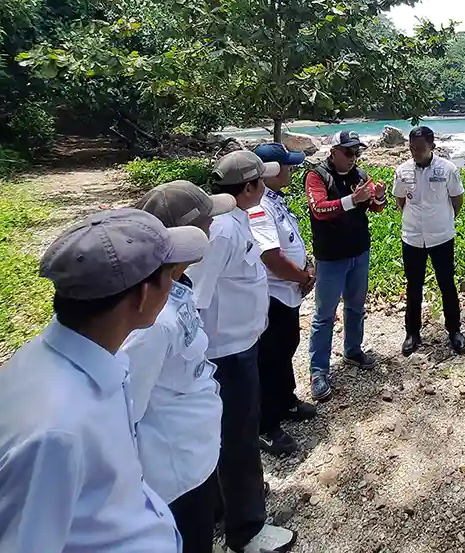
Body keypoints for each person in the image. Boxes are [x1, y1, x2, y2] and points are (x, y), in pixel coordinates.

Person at [0, 207, 209, 552]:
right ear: (143, 296)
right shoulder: (55, 432)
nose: (175, 284)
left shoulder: (90, 358)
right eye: (170, 275)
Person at [187, 150, 295, 553]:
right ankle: (247, 530)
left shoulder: (235, 221)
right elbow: (195, 298)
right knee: (238, 437)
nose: (266, 185)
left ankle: (224, 502)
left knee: (229, 435)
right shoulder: (224, 232)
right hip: (226, 353)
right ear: (249, 187)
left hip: (237, 346)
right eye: (261, 181)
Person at [121, 180, 235, 553]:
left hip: (196, 454)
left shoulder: (176, 284)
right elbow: (125, 415)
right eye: (207, 221)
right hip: (174, 473)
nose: (214, 226)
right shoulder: (149, 324)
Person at [304, 130, 386, 401]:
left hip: (359, 253)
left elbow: (375, 208)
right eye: (348, 152)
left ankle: (353, 350)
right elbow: (319, 209)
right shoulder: (317, 176)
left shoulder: (360, 176)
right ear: (334, 151)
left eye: (357, 153)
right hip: (330, 258)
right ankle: (318, 371)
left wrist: (380, 197)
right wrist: (353, 200)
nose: (353, 158)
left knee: (355, 307)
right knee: (324, 315)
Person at [249, 143, 318, 457]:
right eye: (286, 165)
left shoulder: (274, 200)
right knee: (270, 358)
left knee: (286, 348)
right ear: (270, 171)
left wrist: (307, 268)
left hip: (287, 291)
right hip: (273, 294)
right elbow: (271, 257)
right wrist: (302, 277)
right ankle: (266, 425)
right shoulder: (258, 207)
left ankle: (286, 400)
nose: (291, 169)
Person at [392, 126, 465, 355]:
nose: (415, 153)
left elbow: (457, 199)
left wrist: (442, 220)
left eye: (420, 148)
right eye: (412, 148)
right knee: (413, 286)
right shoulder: (402, 170)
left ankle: (454, 330)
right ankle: (412, 333)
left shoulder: (448, 169)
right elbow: (400, 200)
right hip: (413, 237)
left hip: (442, 237)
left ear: (432, 146)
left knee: (447, 284)